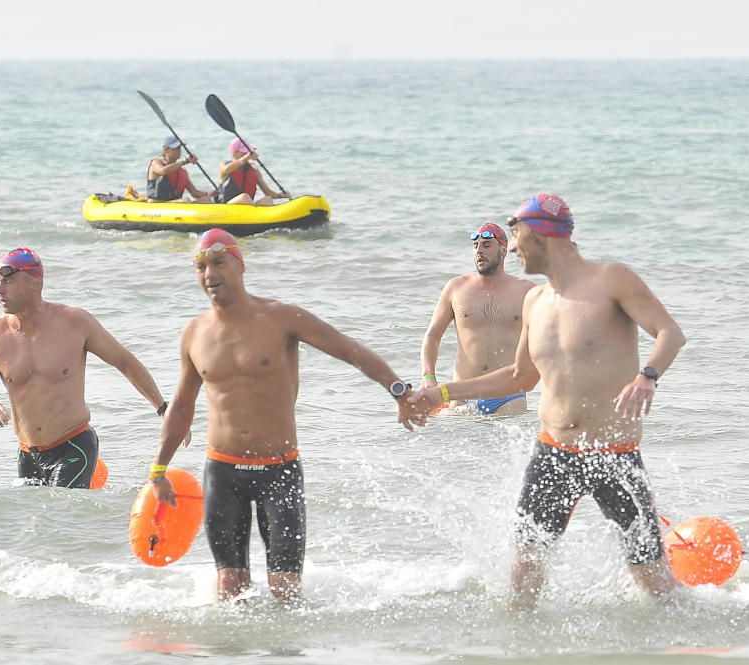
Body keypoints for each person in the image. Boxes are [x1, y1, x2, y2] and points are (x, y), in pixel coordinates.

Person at [411, 193, 686, 606]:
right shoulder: (535, 301)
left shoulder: (612, 280)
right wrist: (443, 392)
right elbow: (520, 377)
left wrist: (648, 377)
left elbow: (670, 333)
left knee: (651, 577)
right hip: (553, 451)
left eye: (518, 236)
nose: (514, 247)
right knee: (524, 573)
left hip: (613, 450)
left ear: (545, 235)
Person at [149, 228, 423, 602]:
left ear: (239, 265)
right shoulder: (194, 334)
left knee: (286, 592)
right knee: (229, 591)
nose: (209, 274)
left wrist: (397, 389)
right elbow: (181, 406)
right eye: (200, 267)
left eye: (218, 263)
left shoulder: (282, 318)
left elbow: (348, 349)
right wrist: (159, 469)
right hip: (222, 473)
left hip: (278, 471)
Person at [0, 247, 169, 488]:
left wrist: (163, 409)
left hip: (74, 446)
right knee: (34, 524)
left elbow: (124, 361)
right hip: (27, 454)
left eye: (8, 281)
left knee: (60, 513)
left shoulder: (74, 323)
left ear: (34, 283)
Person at [420, 222, 535, 416]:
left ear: (504, 250)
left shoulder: (526, 291)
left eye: (487, 245)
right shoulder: (456, 288)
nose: (479, 251)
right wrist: (428, 376)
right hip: (461, 393)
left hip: (508, 395)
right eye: (476, 246)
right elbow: (432, 336)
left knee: (512, 446)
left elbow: (548, 342)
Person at [218, 137, 291, 205]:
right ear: (235, 153)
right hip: (226, 208)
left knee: (267, 200)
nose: (246, 154)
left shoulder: (253, 170)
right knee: (244, 197)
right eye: (244, 152)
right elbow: (226, 170)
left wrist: (281, 195)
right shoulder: (225, 165)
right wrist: (244, 158)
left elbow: (268, 193)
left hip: (247, 208)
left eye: (247, 152)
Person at [146, 136, 216, 203]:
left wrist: (211, 193)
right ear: (166, 150)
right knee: (185, 200)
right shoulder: (156, 162)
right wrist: (186, 161)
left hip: (175, 204)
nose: (179, 151)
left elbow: (195, 193)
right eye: (176, 148)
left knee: (205, 199)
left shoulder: (182, 171)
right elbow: (163, 171)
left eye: (179, 148)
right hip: (156, 204)